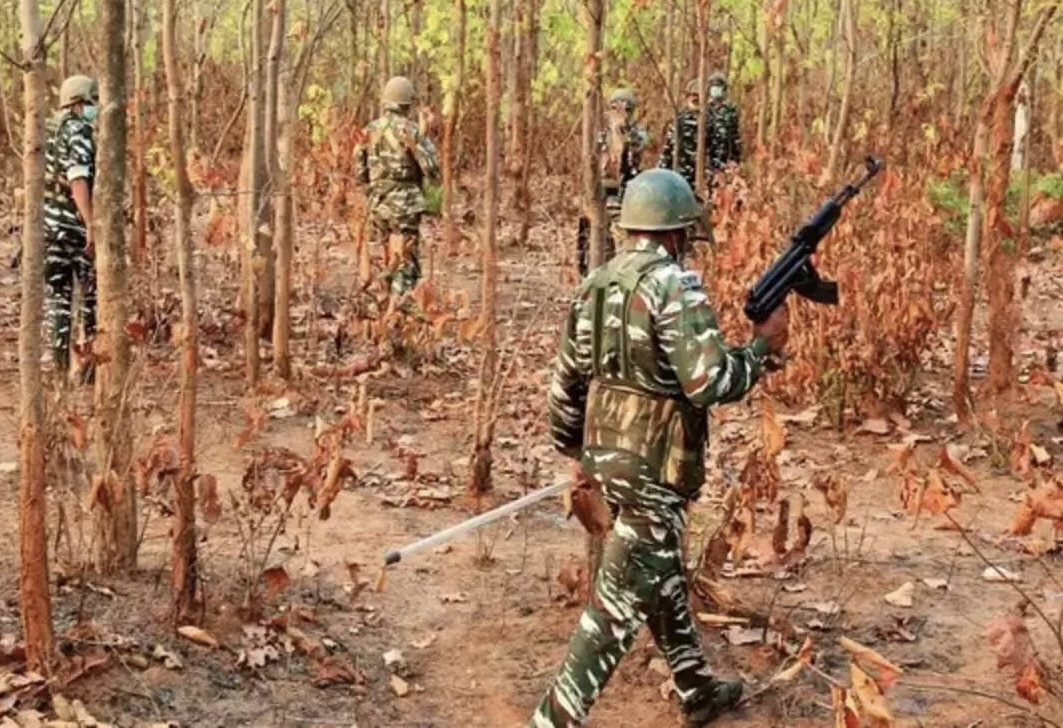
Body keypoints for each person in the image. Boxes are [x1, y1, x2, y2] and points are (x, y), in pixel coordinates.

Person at [531, 169, 789, 728]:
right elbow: (711, 381)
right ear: (677, 232)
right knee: (612, 613)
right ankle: (552, 718)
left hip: (608, 457)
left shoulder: (595, 283)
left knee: (660, 574)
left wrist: (572, 449)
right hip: (656, 468)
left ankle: (696, 689)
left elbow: (566, 382)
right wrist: (764, 349)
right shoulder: (676, 285)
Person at [354, 76, 440, 301]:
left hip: (378, 203)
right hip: (405, 205)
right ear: (407, 103)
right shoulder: (411, 131)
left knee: (388, 255)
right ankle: (397, 311)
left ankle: (386, 304)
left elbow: (359, 172)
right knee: (405, 261)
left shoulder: (369, 130)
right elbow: (432, 170)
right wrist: (425, 136)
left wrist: (374, 191)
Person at [44, 74, 98, 380]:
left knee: (58, 298)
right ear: (82, 100)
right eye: (93, 100)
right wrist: (90, 222)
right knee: (89, 293)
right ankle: (86, 363)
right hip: (72, 225)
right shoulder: (78, 130)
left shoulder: (49, 128)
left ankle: (59, 367)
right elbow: (78, 178)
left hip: (47, 225)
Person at [578, 88, 650, 277]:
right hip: (603, 190)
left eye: (624, 108)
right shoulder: (603, 134)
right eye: (614, 108)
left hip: (627, 191)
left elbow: (638, 148)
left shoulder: (637, 132)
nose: (619, 112)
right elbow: (594, 157)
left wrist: (622, 132)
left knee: (623, 235)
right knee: (597, 234)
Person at [657, 79, 706, 192]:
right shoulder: (680, 120)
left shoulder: (709, 120)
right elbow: (668, 150)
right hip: (682, 177)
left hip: (703, 178)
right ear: (687, 97)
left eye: (698, 95)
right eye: (693, 95)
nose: (696, 98)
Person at [706, 72, 741, 177]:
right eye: (714, 86)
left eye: (718, 86)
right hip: (710, 159)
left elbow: (735, 136)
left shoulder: (730, 109)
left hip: (726, 158)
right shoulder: (706, 109)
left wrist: (735, 159)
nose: (716, 89)